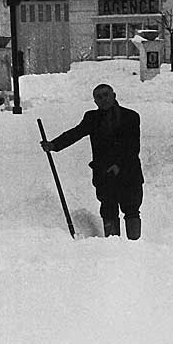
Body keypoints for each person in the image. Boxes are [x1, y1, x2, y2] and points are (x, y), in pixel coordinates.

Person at [40, 84, 144, 239]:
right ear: (95, 101)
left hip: (129, 173)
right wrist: (54, 145)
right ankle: (113, 246)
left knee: (132, 210)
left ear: (114, 95)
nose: (103, 99)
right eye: (99, 97)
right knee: (108, 210)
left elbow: (132, 146)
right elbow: (75, 133)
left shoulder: (130, 116)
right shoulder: (92, 118)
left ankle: (134, 247)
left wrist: (119, 165)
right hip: (104, 174)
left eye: (106, 95)